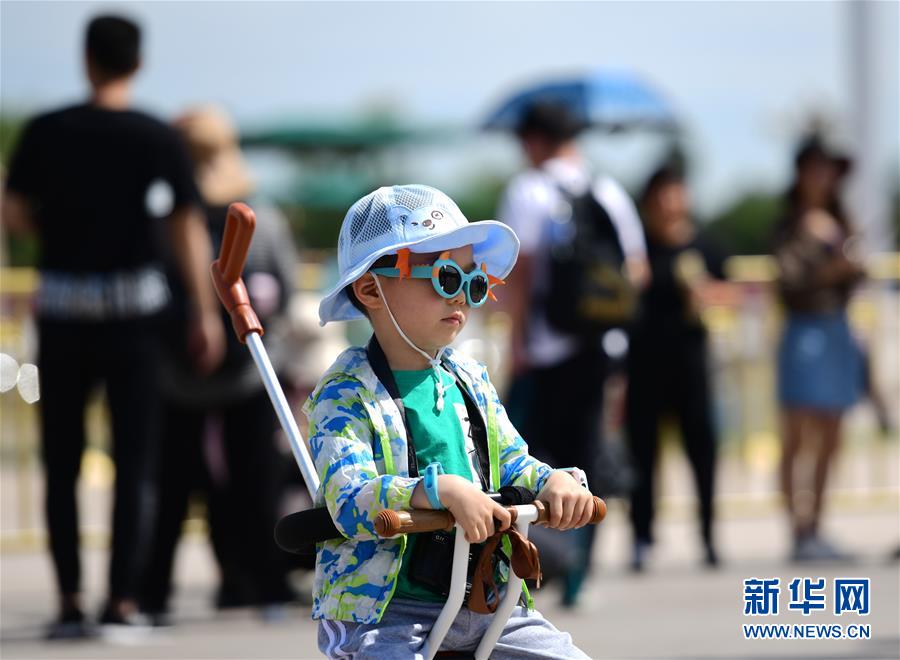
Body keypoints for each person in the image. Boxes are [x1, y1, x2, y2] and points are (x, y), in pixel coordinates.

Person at [1, 15, 225, 638]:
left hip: (66, 313)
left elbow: (15, 212)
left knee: (62, 462)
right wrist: (204, 312)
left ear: (87, 59)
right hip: (137, 319)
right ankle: (122, 602)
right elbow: (185, 228)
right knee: (135, 462)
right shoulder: (156, 136)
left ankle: (70, 600)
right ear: (137, 62)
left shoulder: (47, 132)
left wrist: (61, 220)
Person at [306, 184, 596, 658]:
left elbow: (512, 461)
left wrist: (553, 482)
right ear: (369, 288)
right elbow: (349, 498)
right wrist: (435, 490)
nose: (462, 296)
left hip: (488, 600)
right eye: (445, 277)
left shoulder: (470, 379)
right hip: (387, 614)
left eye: (474, 281)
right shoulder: (345, 393)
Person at [139, 106, 299, 624]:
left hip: (176, 374)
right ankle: (262, 584)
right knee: (255, 483)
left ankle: (152, 593)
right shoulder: (261, 218)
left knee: (171, 488)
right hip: (249, 368)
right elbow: (287, 288)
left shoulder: (161, 224)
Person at [496, 101, 648, 605]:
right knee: (587, 459)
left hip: (544, 350)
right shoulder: (607, 190)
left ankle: (534, 568)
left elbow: (518, 272)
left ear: (534, 140)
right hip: (600, 349)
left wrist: (515, 342)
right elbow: (637, 272)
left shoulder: (529, 190)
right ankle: (580, 575)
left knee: (521, 459)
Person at [626, 160, 734, 571]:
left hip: (692, 364)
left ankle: (708, 536)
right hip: (645, 365)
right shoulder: (637, 248)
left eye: (675, 191)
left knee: (702, 450)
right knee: (642, 454)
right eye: (660, 193)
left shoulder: (704, 243)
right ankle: (642, 537)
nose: (669, 201)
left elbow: (732, 292)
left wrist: (708, 292)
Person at [773, 133, 866, 562]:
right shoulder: (790, 223)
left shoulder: (840, 218)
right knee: (797, 436)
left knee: (831, 435)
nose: (822, 176)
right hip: (803, 329)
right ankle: (798, 531)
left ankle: (816, 527)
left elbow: (854, 276)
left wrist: (849, 267)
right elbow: (787, 283)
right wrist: (831, 269)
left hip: (836, 329)